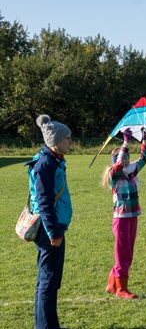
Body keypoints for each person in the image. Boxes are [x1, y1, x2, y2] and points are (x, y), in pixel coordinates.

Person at [25, 114, 72, 329]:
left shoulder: (52, 160)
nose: (70, 142)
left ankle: (49, 325)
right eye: (67, 138)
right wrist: (54, 232)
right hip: (49, 231)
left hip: (53, 227)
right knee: (48, 281)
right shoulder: (46, 164)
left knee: (50, 281)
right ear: (55, 141)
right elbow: (44, 202)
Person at [101, 127, 146, 299]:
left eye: (129, 158)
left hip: (132, 217)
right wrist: (126, 142)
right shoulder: (114, 176)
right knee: (123, 254)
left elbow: (144, 159)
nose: (128, 160)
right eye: (126, 158)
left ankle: (111, 284)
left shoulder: (130, 174)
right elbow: (120, 163)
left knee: (127, 252)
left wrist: (144, 140)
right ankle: (121, 289)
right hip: (121, 220)